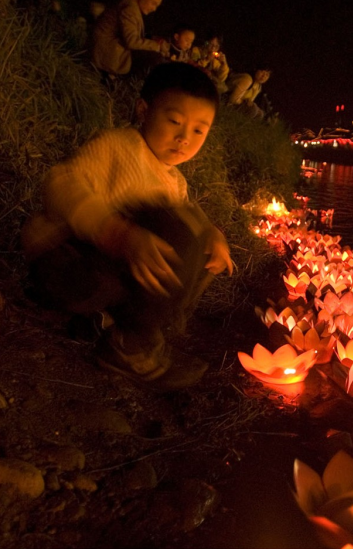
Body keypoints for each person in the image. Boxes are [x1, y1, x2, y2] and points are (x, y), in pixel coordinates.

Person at [22, 62, 233, 391]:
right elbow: (59, 184)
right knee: (176, 226)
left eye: (198, 130)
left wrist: (212, 236)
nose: (183, 138)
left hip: (107, 285)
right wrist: (115, 232)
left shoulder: (174, 182)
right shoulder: (118, 147)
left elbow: (193, 221)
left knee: (196, 241)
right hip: (63, 265)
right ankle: (130, 346)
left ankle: (122, 325)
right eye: (174, 121)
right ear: (143, 111)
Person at [90, 0, 169, 78]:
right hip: (107, 54)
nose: (154, 9)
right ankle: (122, 80)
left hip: (106, 49)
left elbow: (131, 34)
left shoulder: (130, 5)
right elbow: (131, 41)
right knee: (155, 58)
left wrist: (152, 39)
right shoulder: (130, 9)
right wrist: (156, 46)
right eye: (153, 3)